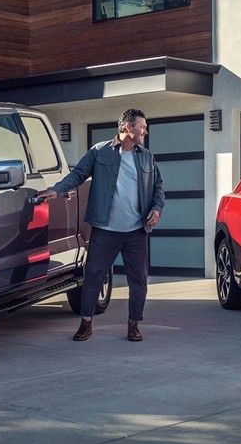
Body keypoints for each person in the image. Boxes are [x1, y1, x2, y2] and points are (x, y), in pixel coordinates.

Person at [38, 108, 165, 342]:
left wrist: (156, 209)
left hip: (136, 231)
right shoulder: (100, 152)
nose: (145, 130)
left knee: (138, 281)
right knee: (93, 277)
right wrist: (57, 190)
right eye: (142, 126)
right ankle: (86, 323)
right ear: (128, 127)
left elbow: (158, 188)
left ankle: (134, 325)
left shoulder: (146, 156)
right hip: (105, 230)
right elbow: (77, 175)